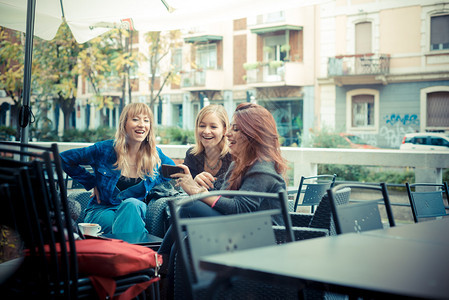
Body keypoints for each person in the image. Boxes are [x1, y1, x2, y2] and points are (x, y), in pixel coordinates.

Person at [158, 103, 288, 298]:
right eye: (231, 127)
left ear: (253, 133)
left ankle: (157, 263)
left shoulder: (262, 168)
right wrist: (199, 190)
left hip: (264, 242)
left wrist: (197, 193)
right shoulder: (240, 163)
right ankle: (163, 279)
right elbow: (225, 199)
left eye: (236, 129)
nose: (229, 134)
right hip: (244, 231)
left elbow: (238, 209)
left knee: (189, 207)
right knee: (182, 242)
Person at [60, 103, 175, 235]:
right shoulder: (105, 149)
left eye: (146, 120)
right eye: (135, 119)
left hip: (134, 211)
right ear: (124, 124)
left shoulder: (155, 155)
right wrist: (91, 182)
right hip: (102, 210)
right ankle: (135, 251)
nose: (142, 124)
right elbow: (65, 159)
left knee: (132, 204)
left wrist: (157, 182)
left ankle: (121, 252)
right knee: (115, 221)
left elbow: (175, 174)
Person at [183, 104, 232, 190]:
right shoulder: (192, 155)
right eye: (202, 126)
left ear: (224, 130)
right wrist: (194, 182)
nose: (206, 131)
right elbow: (186, 188)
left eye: (213, 127)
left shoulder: (234, 156)